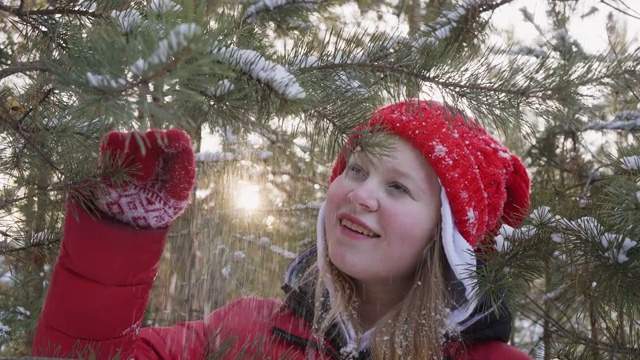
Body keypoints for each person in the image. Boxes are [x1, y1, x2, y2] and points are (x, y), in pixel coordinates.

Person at [31, 99, 532, 360]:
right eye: (356, 170)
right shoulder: (242, 333)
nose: (360, 193)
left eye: (398, 187)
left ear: (446, 236)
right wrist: (120, 232)